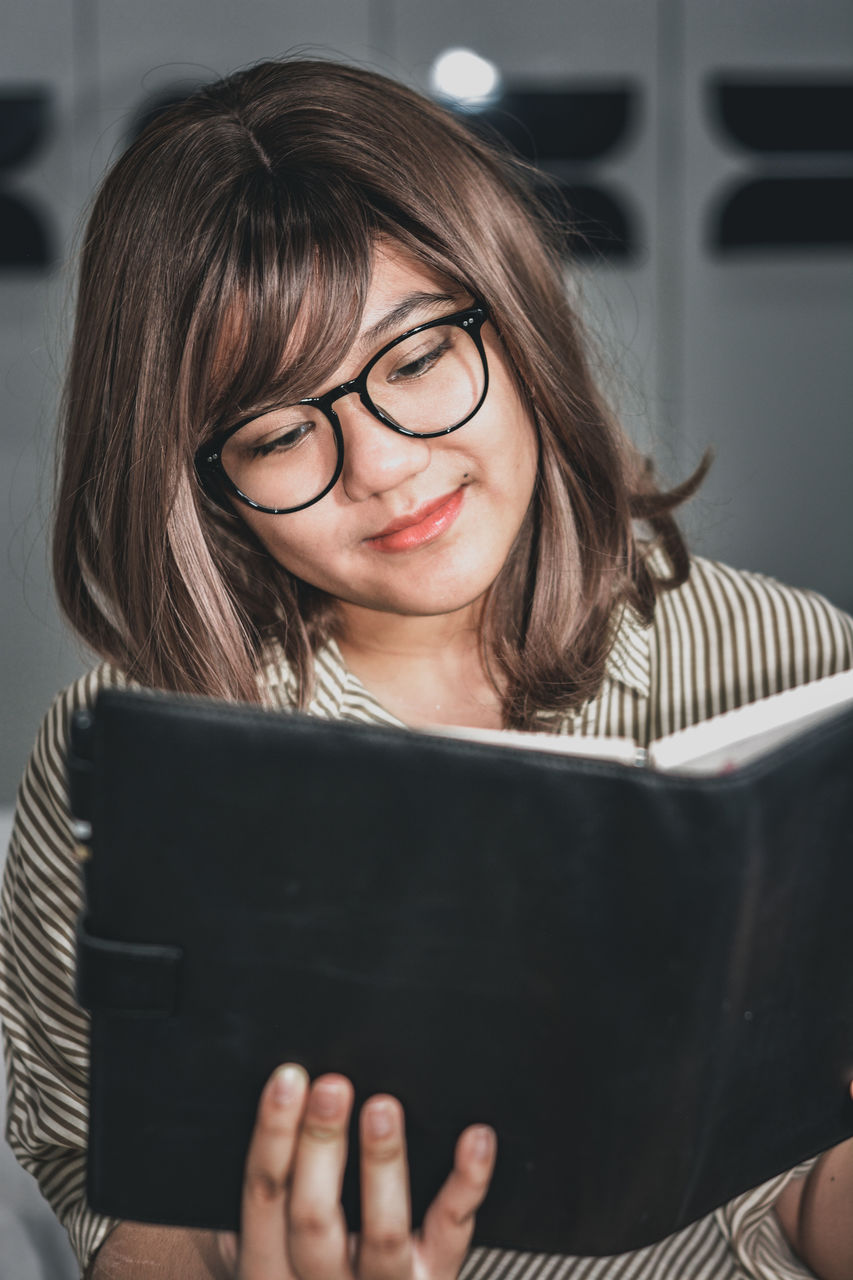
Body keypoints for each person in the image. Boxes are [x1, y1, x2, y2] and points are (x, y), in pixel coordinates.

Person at [0, 56, 851, 1280]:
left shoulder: (799, 662)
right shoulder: (123, 776)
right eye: (283, 432)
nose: (385, 469)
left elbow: (811, 1190)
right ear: (204, 488)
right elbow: (133, 1228)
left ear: (508, 315)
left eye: (413, 361)